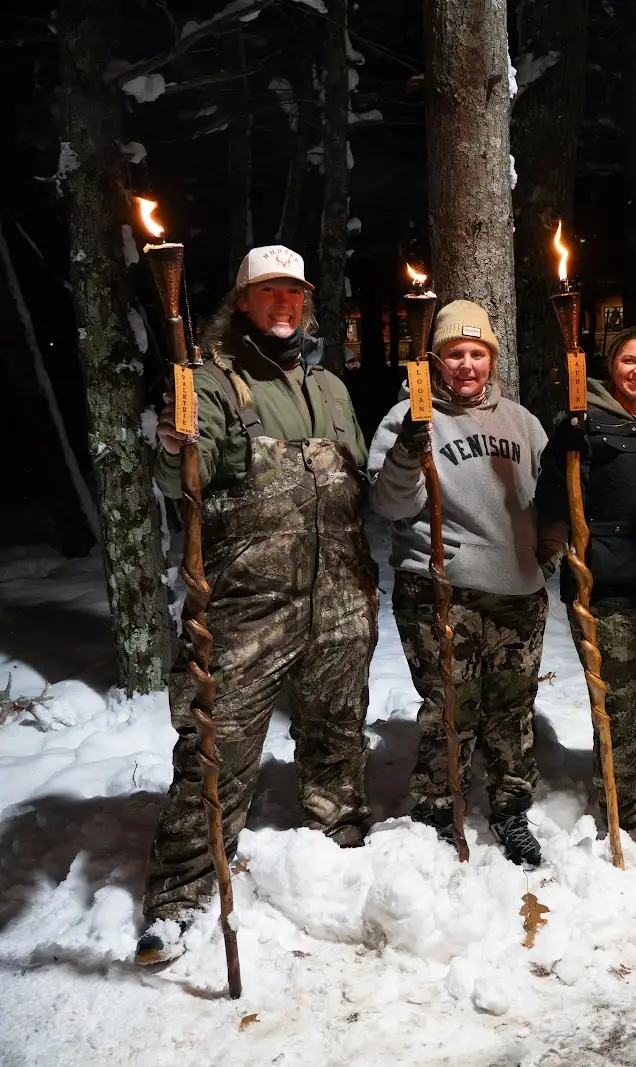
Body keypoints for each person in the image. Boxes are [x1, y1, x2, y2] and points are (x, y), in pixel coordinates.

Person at [138, 246, 377, 965]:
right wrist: (174, 442)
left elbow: (355, 473)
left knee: (338, 735)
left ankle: (338, 852)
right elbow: (187, 470)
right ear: (242, 300)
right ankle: (180, 891)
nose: (283, 304)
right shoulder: (209, 380)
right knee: (218, 744)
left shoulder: (331, 385)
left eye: (293, 293)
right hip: (247, 605)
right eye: (268, 292)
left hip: (339, 596)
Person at [368, 300, 551, 867]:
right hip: (440, 589)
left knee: (512, 709)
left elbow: (546, 499)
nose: (467, 364)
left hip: (518, 591)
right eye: (455, 354)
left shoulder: (522, 422)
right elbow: (390, 504)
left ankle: (511, 809)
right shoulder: (406, 418)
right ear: (436, 361)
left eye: (477, 353)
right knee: (451, 707)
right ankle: (436, 811)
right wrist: (407, 451)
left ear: (491, 359)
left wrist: (552, 546)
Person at [536, 326, 636, 837]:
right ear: (610, 364)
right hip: (607, 584)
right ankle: (619, 797)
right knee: (619, 700)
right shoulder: (582, 423)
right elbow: (552, 495)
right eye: (629, 361)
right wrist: (562, 452)